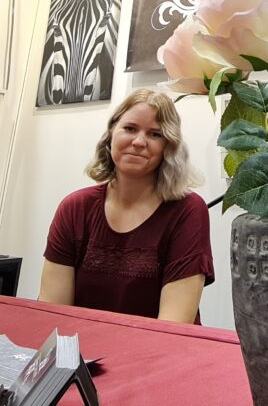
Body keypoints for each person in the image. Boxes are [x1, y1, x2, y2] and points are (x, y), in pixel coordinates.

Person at [39, 88, 214, 323]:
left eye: (155, 134)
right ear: (111, 133)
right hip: (82, 345)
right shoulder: (74, 208)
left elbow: (173, 325)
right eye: (130, 129)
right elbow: (52, 313)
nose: (139, 142)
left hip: (157, 345)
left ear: (168, 147)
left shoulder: (188, 211)